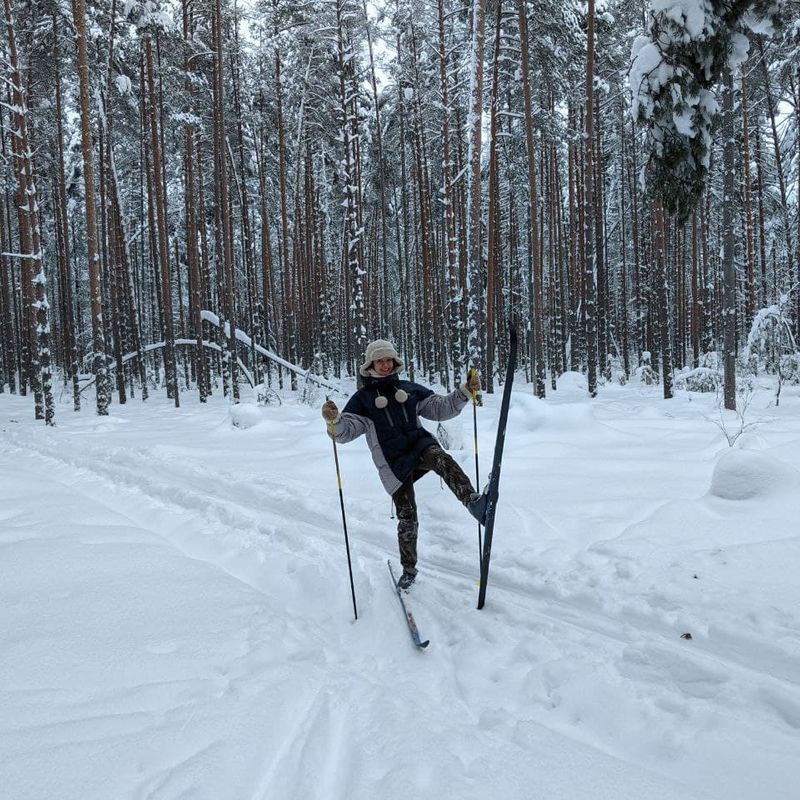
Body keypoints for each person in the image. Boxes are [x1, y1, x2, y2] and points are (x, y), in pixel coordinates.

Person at [322, 339, 488, 591]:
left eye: (389, 360)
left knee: (440, 458)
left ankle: (474, 503)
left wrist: (464, 392)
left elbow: (439, 408)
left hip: (419, 447)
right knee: (407, 515)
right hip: (392, 463)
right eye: (380, 360)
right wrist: (334, 421)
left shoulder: (409, 389)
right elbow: (345, 432)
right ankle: (409, 569)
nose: (386, 365)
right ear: (370, 365)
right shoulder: (362, 400)